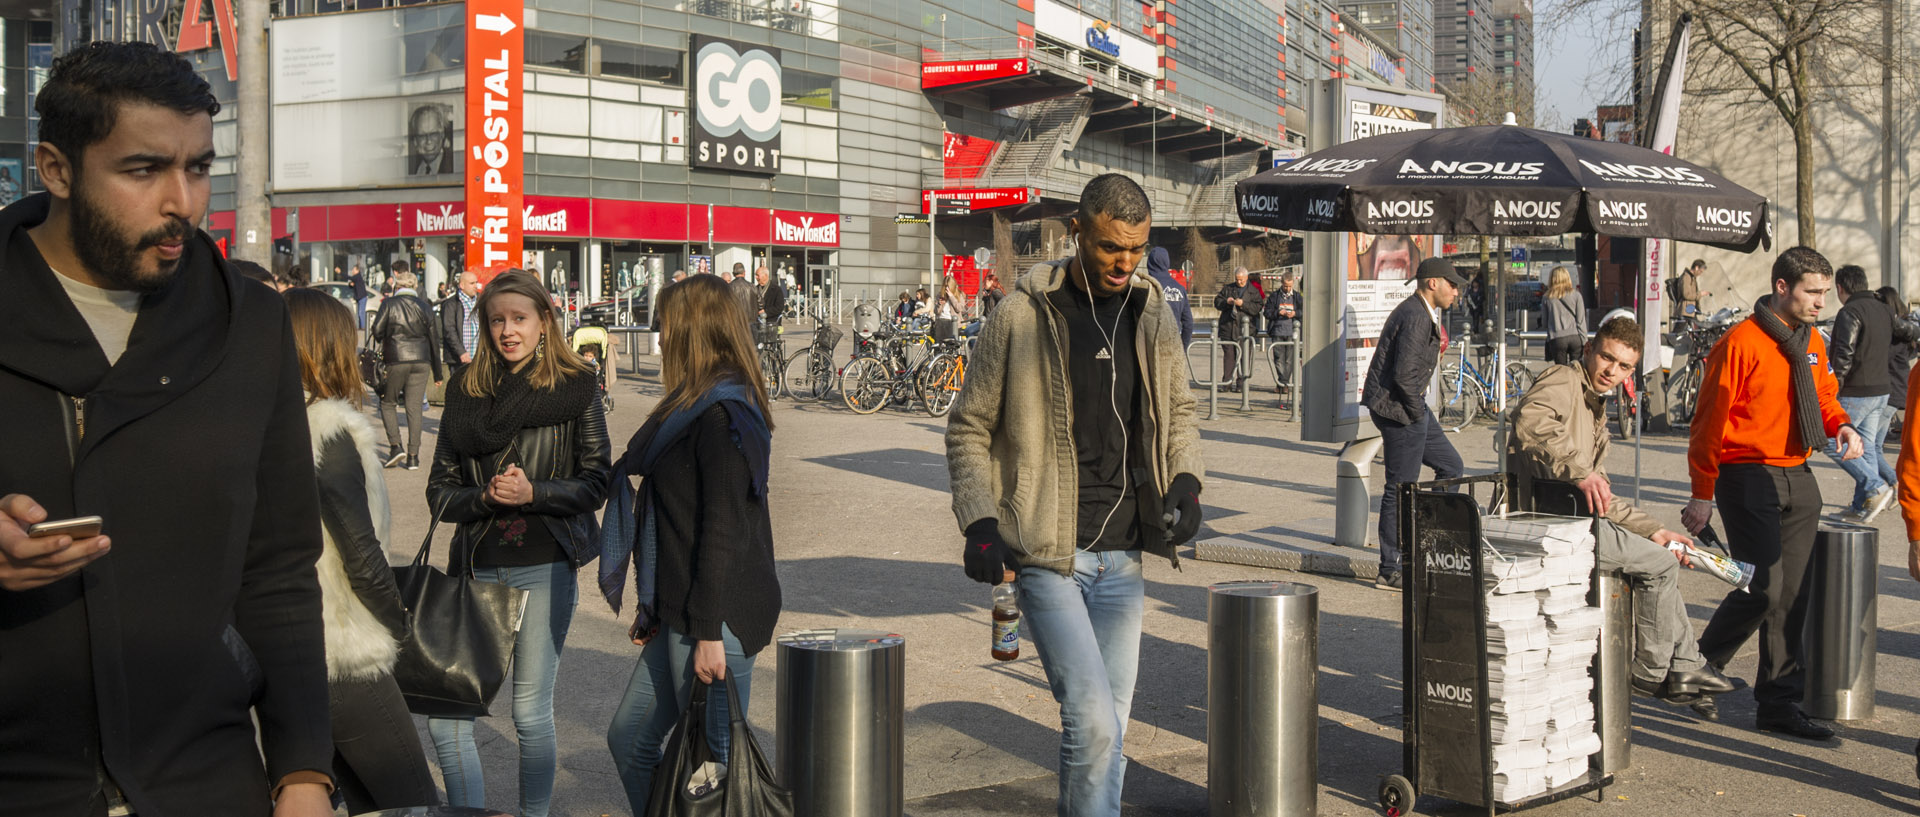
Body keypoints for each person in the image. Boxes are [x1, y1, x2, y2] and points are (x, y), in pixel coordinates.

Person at [0, 41, 333, 816]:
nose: (183, 201)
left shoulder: (248, 323)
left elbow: (280, 569)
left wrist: (303, 774)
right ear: (56, 169)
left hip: (206, 781)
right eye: (144, 170)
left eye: (200, 166)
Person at [946, 174, 1203, 817]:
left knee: (1108, 731)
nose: (1125, 262)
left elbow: (1180, 408)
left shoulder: (1152, 313)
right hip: (1047, 553)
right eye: (1113, 246)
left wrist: (1188, 481)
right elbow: (968, 427)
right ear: (1077, 229)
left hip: (1124, 560)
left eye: (1138, 248)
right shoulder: (1019, 317)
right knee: (1090, 723)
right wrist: (979, 521)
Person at [426, 270, 612, 816]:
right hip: (476, 568)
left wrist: (535, 492)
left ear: (544, 321)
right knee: (447, 716)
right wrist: (482, 498)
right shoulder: (465, 391)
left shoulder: (576, 385)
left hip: (544, 565)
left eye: (519, 319)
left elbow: (597, 481)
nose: (508, 331)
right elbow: (439, 492)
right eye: (497, 320)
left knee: (529, 715)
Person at [603, 274, 782, 813]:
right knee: (630, 742)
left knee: (716, 781)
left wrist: (705, 632)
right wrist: (654, 604)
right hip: (681, 613)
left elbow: (723, 533)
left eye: (664, 327)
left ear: (692, 332)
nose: (657, 338)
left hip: (715, 620)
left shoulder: (722, 414)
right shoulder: (689, 407)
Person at [1509, 316, 1738, 716]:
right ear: (1589, 351)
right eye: (1607, 359)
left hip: (1576, 519)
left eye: (1624, 366)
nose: (1612, 371)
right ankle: (1651, 673)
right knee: (1662, 566)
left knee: (1665, 552)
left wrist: (1656, 530)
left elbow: (1604, 496)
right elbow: (1531, 423)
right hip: (1549, 523)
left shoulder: (1596, 406)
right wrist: (1579, 472)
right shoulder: (1563, 380)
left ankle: (1686, 666)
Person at [1685, 246, 1864, 742]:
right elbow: (1708, 422)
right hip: (1745, 474)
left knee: (1793, 595)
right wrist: (1702, 493)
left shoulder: (1812, 341)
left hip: (1797, 471)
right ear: (1782, 287)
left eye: (1826, 292)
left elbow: (1825, 396)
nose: (1820, 301)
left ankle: (1779, 705)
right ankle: (1694, 668)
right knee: (1763, 586)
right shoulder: (1740, 341)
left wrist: (1843, 425)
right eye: (1812, 291)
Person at [285, 288, 438, 812]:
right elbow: (361, 552)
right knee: (411, 798)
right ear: (326, 345)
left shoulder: (270, 423)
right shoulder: (327, 428)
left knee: (353, 797)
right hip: (345, 646)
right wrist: (397, 624)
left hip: (291, 642)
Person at [1365, 258, 1469, 591]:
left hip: (1408, 407)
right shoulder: (1415, 316)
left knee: (1451, 466)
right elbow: (1403, 376)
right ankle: (1390, 567)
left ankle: (1427, 542)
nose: (1456, 291)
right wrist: (1417, 413)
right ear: (1432, 283)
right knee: (1400, 487)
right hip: (1399, 410)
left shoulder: (1423, 313)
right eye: (1452, 284)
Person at [1823, 264, 1903, 523]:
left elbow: (1843, 355)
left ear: (1840, 288)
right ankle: (1860, 506)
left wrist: (1833, 389)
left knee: (1829, 440)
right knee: (1867, 447)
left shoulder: (1850, 311)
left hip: (1856, 391)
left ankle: (1874, 487)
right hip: (1882, 390)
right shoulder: (1885, 309)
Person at [368, 266, 444, 469]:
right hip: (422, 361)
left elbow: (376, 330)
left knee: (388, 403)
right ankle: (413, 456)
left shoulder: (389, 304)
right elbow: (434, 341)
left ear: (398, 285)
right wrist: (438, 373)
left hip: (396, 359)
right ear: (414, 286)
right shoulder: (425, 306)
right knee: (414, 407)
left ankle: (395, 446)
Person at [1213, 267, 1260, 392]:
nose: (1239, 282)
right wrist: (1226, 302)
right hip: (1228, 328)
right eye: (1237, 280)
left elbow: (1257, 308)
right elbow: (1217, 302)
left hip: (1246, 329)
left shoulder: (1253, 291)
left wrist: (1243, 304)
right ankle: (1226, 383)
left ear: (1246, 278)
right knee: (1229, 356)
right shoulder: (1228, 288)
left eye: (1242, 280)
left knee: (1244, 357)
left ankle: (1241, 384)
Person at [1881, 286, 1916, 433]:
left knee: (1868, 441)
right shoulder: (1905, 328)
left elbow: (1883, 357)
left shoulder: (1896, 332)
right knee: (1874, 443)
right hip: (1896, 389)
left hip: (1892, 391)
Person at [1144, 247, 1192, 348]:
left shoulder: (1145, 286)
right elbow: (1188, 323)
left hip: (1148, 346)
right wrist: (1182, 347)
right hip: (1173, 343)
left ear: (1149, 264)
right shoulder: (1180, 289)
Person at [1264, 271, 1303, 391]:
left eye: (1290, 286)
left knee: (1289, 360)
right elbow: (1267, 312)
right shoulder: (1274, 296)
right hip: (1277, 331)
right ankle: (1283, 382)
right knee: (1278, 359)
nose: (1287, 288)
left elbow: (1304, 311)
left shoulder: (1297, 297)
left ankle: (1282, 384)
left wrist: (1295, 313)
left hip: (1292, 332)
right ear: (1281, 283)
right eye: (1285, 286)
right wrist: (1277, 312)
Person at [1542, 266, 1586, 365]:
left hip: (1557, 338)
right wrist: (1584, 341)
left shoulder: (1547, 297)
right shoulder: (1576, 295)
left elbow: (1544, 323)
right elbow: (1581, 321)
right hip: (1575, 337)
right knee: (1576, 369)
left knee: (1562, 371)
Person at [440, 269, 480, 369]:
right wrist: (461, 352)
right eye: (472, 283)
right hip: (459, 359)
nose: (476, 286)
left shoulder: (481, 301)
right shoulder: (451, 304)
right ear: (462, 285)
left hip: (479, 358)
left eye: (476, 282)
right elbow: (449, 330)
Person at [349, 262, 369, 328]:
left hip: (362, 298)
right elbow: (353, 285)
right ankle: (360, 327)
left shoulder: (357, 276)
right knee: (359, 314)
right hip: (359, 298)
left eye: (353, 270)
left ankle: (363, 328)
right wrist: (351, 285)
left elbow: (349, 277)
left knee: (361, 313)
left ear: (357, 270)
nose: (352, 271)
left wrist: (340, 273)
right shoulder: (357, 279)